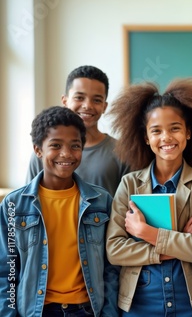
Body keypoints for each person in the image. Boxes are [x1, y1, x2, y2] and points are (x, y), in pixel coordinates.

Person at [106, 78, 192, 316]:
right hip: (139, 305)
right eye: (156, 131)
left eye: (175, 128)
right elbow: (114, 250)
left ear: (188, 132)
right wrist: (179, 242)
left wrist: (146, 234)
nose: (166, 137)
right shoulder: (129, 184)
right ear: (146, 138)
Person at [0, 106, 119, 316]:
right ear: (38, 149)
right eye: (55, 145)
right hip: (37, 311)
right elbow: (5, 271)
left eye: (75, 146)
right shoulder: (13, 205)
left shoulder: (101, 202)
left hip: (87, 310)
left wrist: (108, 312)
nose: (66, 154)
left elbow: (111, 268)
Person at [26, 65, 129, 196]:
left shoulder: (122, 151)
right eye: (79, 98)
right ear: (65, 100)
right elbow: (27, 201)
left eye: (97, 100)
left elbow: (126, 205)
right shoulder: (45, 151)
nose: (87, 106)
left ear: (104, 106)